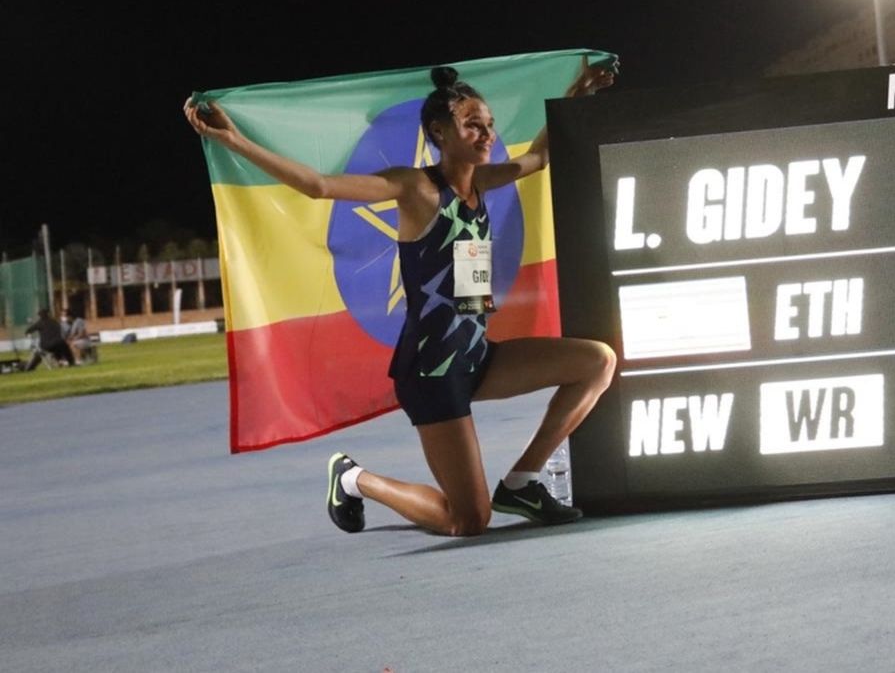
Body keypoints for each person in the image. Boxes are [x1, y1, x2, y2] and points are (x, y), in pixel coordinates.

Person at [183, 60, 618, 536]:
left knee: (597, 361)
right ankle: (354, 478)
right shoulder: (415, 188)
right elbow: (319, 186)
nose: (487, 133)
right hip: (432, 372)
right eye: (473, 124)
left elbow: (539, 156)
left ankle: (522, 481)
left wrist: (578, 92)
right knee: (468, 520)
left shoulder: (485, 182)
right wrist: (234, 140)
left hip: (476, 357)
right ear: (439, 131)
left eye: (489, 125)